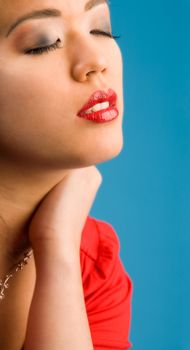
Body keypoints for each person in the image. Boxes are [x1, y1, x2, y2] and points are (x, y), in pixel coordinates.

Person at [0, 0, 133, 349]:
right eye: (44, 42)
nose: (96, 61)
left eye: (100, 28)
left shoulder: (92, 260)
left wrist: (58, 246)